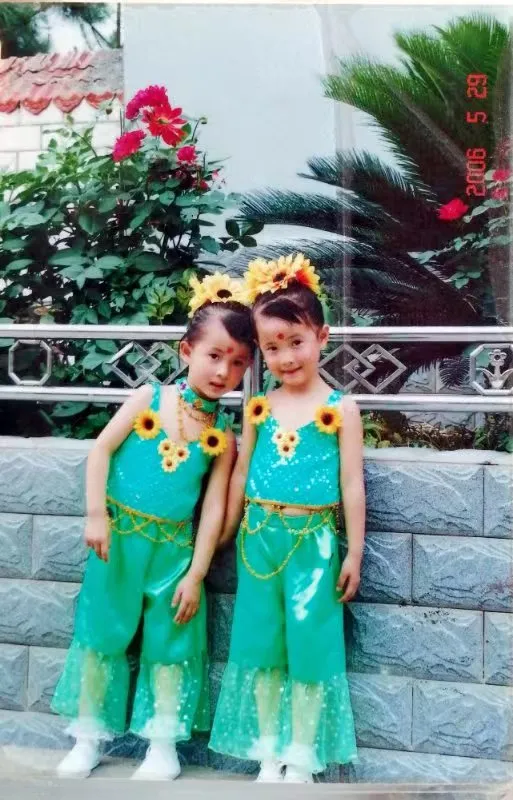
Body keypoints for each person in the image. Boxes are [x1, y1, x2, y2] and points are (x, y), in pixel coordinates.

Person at [52, 273, 254, 780]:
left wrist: (196, 573)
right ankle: (88, 736)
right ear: (187, 350)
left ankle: (162, 744)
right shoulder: (149, 398)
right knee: (102, 633)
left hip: (174, 553)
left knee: (172, 643)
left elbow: (212, 509)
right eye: (214, 355)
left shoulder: (222, 434)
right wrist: (96, 515)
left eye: (237, 362)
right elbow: (101, 449)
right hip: (117, 543)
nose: (223, 371)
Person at [209, 254, 365, 783]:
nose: (285, 357)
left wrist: (355, 552)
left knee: (310, 645)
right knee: (260, 643)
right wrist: (223, 535)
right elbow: (239, 476)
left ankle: (301, 751)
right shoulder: (258, 407)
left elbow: (352, 483)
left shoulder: (341, 408)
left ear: (322, 337)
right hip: (258, 540)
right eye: (272, 348)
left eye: (296, 342)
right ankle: (267, 750)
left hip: (314, 543)